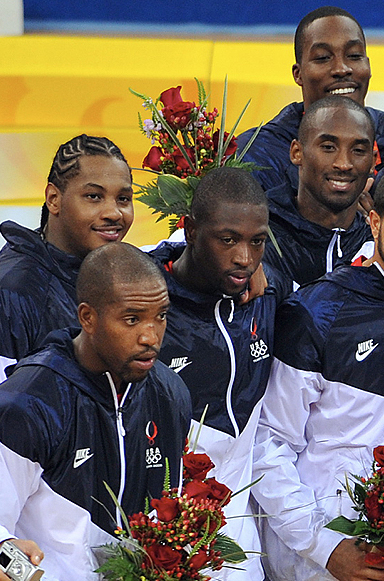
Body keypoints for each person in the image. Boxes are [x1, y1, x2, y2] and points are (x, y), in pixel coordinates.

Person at [253, 163, 384, 581]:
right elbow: (268, 444)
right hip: (331, 561)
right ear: (374, 222)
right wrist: (324, 546)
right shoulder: (316, 312)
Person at [0, 242, 191, 580]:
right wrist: (1, 549)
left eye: (160, 316)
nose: (151, 337)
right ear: (87, 317)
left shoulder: (170, 393)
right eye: (132, 319)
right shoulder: (23, 407)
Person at [147, 167, 288, 581]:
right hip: (154, 541)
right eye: (228, 240)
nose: (244, 257)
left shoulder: (268, 293)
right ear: (190, 230)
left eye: (257, 241)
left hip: (238, 548)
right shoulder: (145, 304)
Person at [0, 134, 133, 402]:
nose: (114, 213)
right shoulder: (5, 294)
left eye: (123, 198)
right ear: (53, 199)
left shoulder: (117, 278)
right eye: (94, 196)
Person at [238, 6, 384, 193]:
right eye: (323, 58)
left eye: (354, 55)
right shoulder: (257, 152)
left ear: (368, 66)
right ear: (298, 74)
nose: (341, 69)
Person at [263, 95, 376, 287]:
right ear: (297, 153)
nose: (344, 164)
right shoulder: (258, 236)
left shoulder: (383, 247)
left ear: (373, 161)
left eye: (358, 150)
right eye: (328, 147)